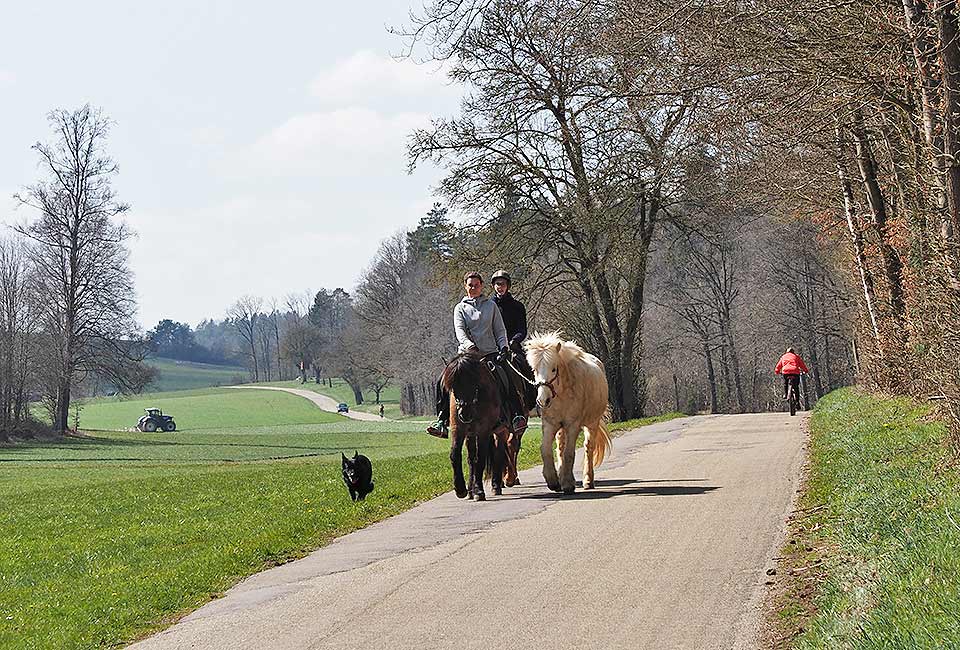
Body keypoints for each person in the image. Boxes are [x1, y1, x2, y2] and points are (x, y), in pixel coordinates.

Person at [427, 272, 527, 438]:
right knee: (442, 379)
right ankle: (442, 420)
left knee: (507, 376)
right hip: (467, 355)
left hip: (490, 353)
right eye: (470, 285)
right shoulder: (459, 308)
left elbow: (500, 330)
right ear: (465, 286)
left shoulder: (491, 306)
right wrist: (470, 346)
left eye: (476, 285)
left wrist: (503, 347)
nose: (473, 288)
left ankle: (516, 415)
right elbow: (460, 332)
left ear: (481, 286)